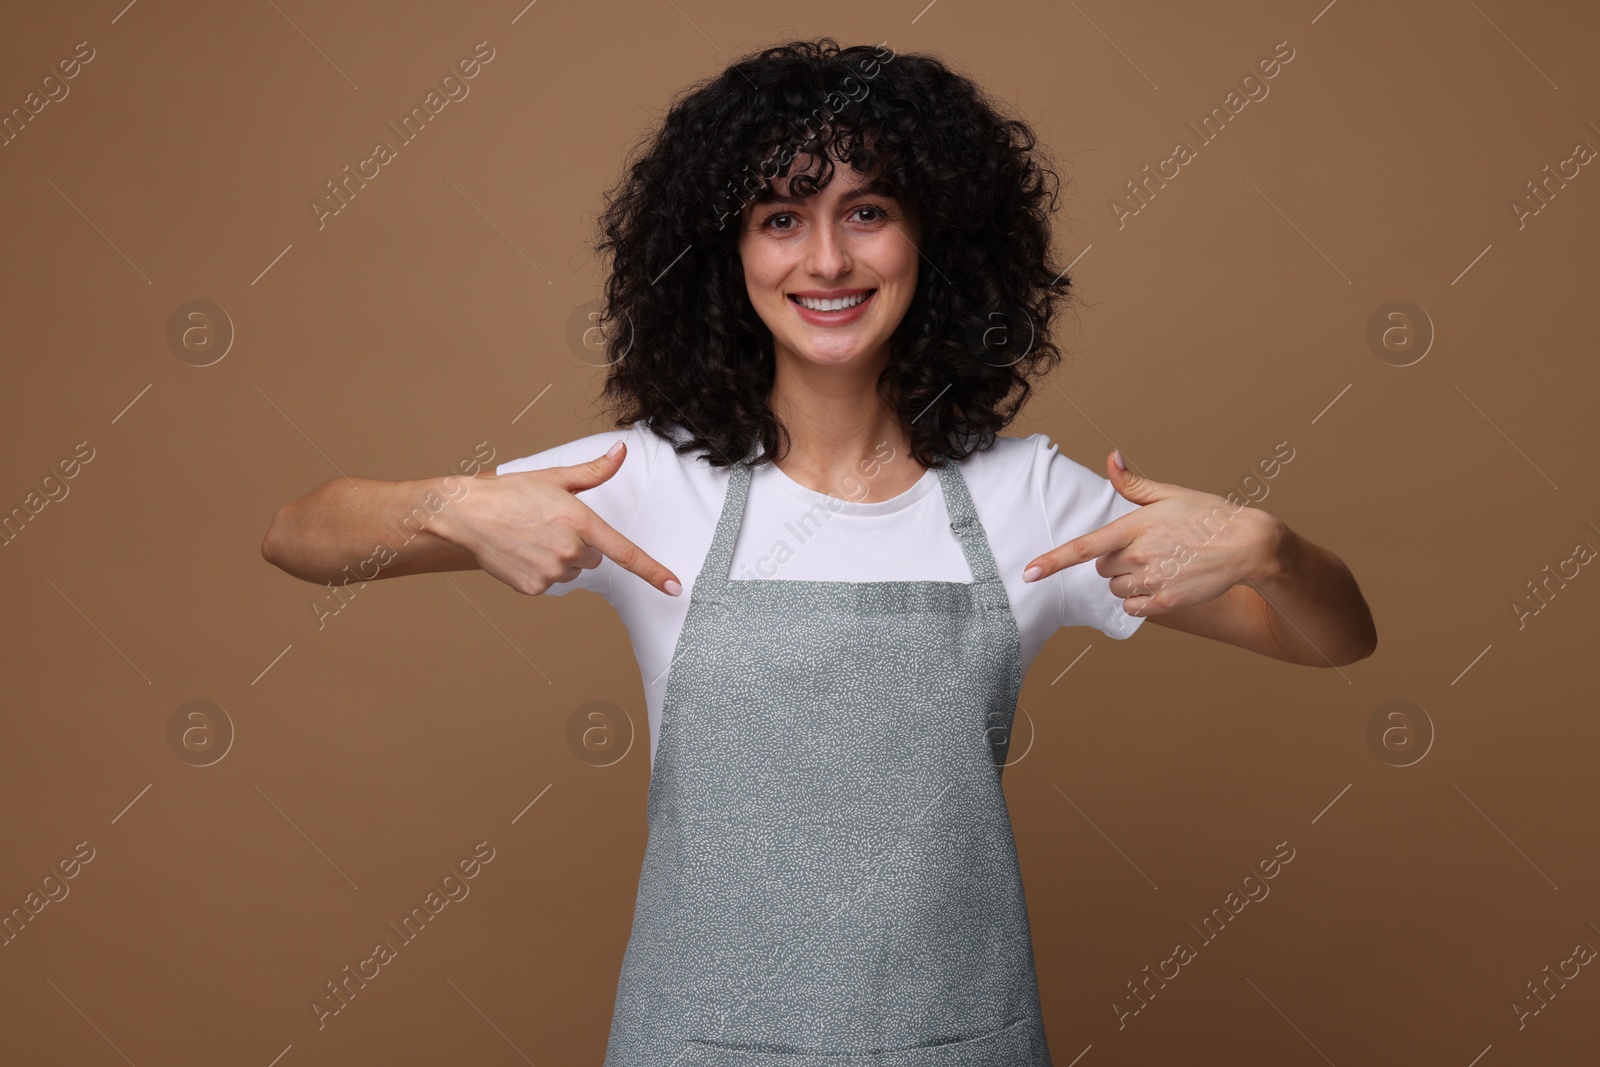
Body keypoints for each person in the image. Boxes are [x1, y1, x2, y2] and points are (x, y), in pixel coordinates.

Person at [262, 37, 1376, 1066]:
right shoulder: (644, 480)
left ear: (935, 235)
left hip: (961, 1039)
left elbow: (1331, 639)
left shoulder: (1025, 494)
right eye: (780, 218)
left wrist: (1275, 551)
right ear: (723, 251)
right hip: (694, 1039)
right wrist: (455, 502)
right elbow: (299, 536)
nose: (828, 258)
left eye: (868, 210)